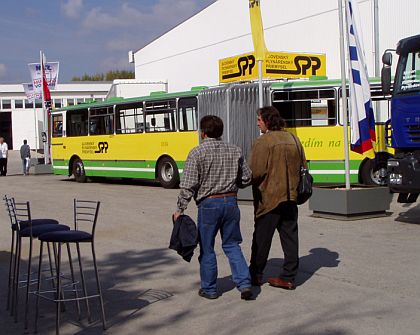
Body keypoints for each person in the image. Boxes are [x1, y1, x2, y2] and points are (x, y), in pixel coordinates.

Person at [173, 115, 253, 300]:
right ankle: (244, 284)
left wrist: (180, 209)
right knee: (232, 244)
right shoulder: (235, 150)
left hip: (208, 205)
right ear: (221, 132)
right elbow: (247, 178)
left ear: (203, 133)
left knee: (207, 248)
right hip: (231, 202)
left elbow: (189, 184)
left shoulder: (197, 153)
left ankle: (209, 289)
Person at [249, 106, 307, 290]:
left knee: (261, 238)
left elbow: (256, 172)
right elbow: (303, 166)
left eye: (259, 120)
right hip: (291, 196)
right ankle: (288, 276)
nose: (258, 123)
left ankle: (256, 275)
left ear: (267, 121)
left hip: (270, 197)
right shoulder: (293, 139)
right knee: (290, 238)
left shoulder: (263, 142)